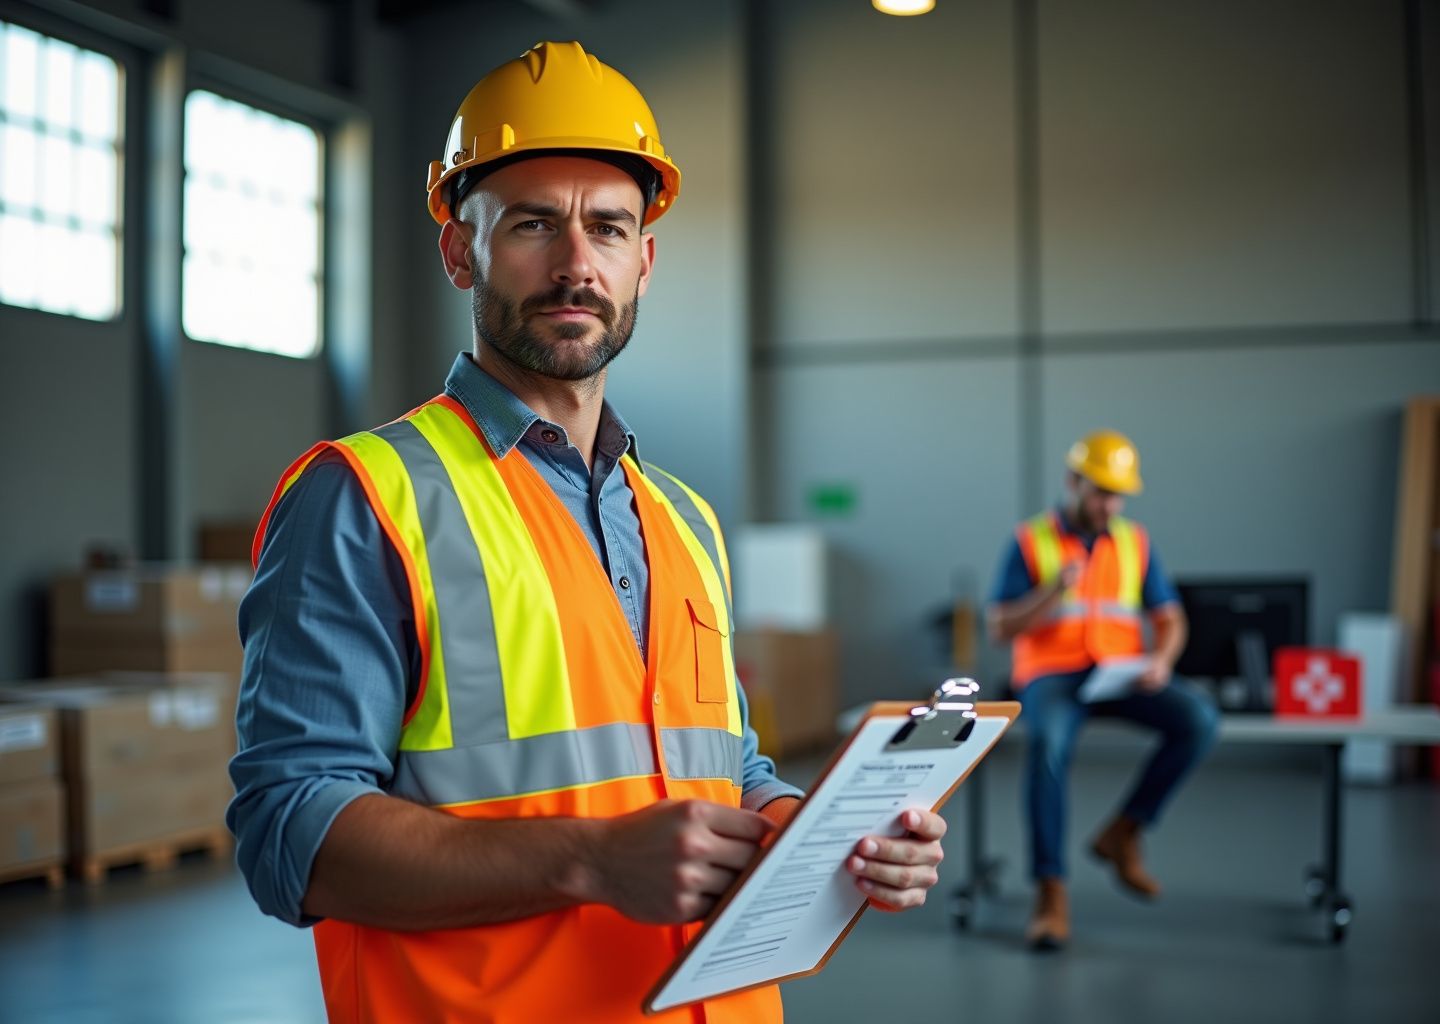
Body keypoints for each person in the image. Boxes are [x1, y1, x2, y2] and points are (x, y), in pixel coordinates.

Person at [227, 41, 947, 1023]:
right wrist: (591, 859)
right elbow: (288, 832)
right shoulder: (365, 497)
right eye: (532, 224)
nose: (576, 264)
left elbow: (721, 767)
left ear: (643, 261)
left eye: (609, 228)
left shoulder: (681, 517)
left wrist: (813, 831)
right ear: (458, 250)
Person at [986, 429, 1219, 951]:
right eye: (1099, 491)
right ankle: (1050, 891)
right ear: (1073, 482)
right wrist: (1052, 591)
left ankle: (1125, 832)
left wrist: (1160, 661)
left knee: (1199, 720)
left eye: (1117, 494)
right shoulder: (1031, 541)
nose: (1108, 504)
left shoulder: (1135, 543)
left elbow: (1171, 619)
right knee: (1047, 747)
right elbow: (998, 627)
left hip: (1120, 673)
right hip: (1052, 675)